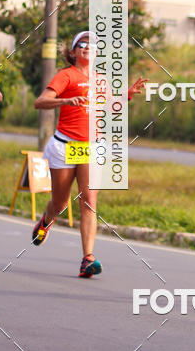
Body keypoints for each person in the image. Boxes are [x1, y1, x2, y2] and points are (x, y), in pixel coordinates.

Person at [33, 31, 145, 277]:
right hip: (65, 145)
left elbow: (107, 104)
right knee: (61, 203)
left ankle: (87, 259)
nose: (87, 47)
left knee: (89, 202)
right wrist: (65, 101)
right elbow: (41, 101)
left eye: (92, 44)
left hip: (91, 147)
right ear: (73, 52)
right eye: (82, 44)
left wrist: (126, 95)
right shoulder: (65, 75)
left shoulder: (100, 79)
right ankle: (45, 222)